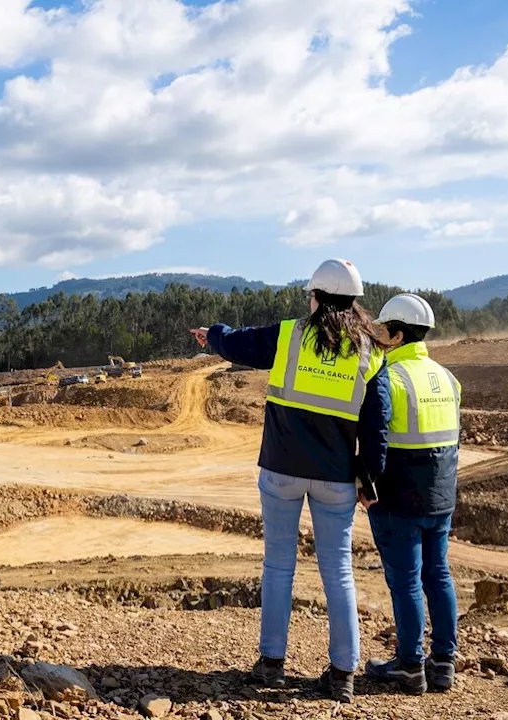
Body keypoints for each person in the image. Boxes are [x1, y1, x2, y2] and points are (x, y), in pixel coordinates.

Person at [190, 259, 390, 704]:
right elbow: (377, 427)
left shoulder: (290, 335)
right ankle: (343, 674)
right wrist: (368, 477)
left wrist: (214, 333)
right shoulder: (371, 353)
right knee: (337, 571)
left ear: (315, 298)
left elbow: (239, 344)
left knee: (279, 566)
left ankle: (272, 663)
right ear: (354, 304)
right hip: (336, 477)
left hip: (280, 469)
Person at [362, 293, 462, 695]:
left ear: (398, 334)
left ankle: (409, 665)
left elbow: (376, 435)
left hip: (399, 497)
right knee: (438, 575)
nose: (380, 339)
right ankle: (443, 663)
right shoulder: (448, 378)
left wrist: (364, 480)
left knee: (405, 583)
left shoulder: (389, 377)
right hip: (441, 496)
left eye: (384, 332)